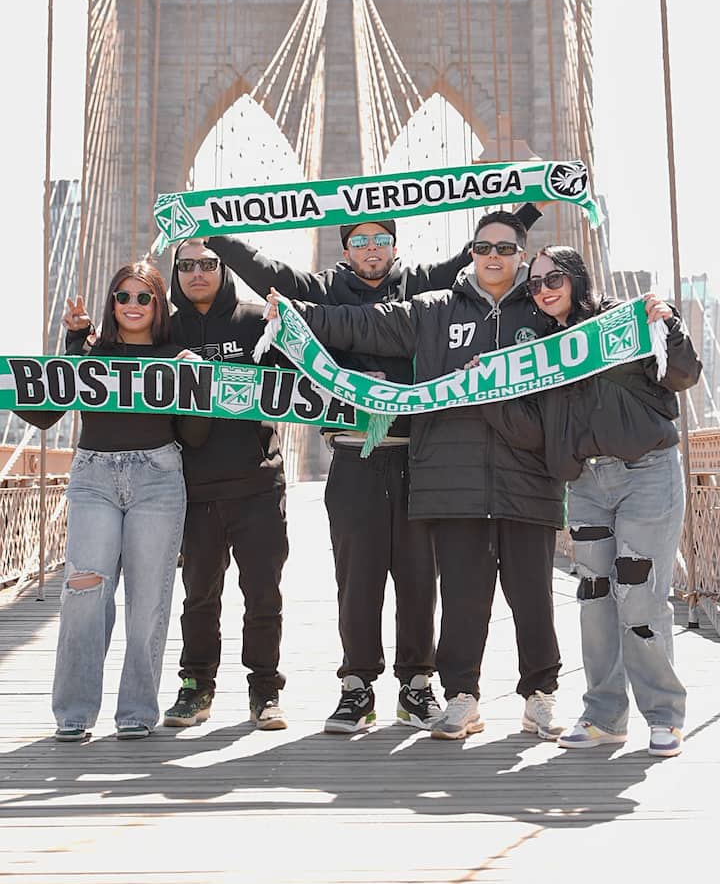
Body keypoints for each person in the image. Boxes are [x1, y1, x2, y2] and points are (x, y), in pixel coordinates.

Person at [205, 205, 540, 733]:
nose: (370, 249)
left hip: (417, 454)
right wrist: (211, 231)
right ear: (346, 251)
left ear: (394, 247)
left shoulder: (424, 286)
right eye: (359, 241)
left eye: (380, 239)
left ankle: (417, 686)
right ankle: (357, 686)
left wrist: (534, 201)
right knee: (356, 579)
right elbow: (269, 272)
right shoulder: (323, 290)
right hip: (353, 453)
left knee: (419, 578)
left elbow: (478, 253)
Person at [484, 246, 702, 757]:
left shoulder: (622, 321)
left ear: (577, 278)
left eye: (554, 278)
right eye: (534, 284)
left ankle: (663, 715)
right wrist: (491, 388)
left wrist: (668, 325)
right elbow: (535, 432)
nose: (544, 290)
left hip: (646, 473)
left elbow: (682, 375)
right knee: (596, 597)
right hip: (586, 484)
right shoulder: (540, 350)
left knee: (640, 593)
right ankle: (604, 716)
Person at [26, 262, 198, 741]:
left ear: (159, 305)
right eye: (123, 296)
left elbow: (196, 435)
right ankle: (74, 713)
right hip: (94, 479)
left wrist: (194, 380)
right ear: (112, 303)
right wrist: (72, 345)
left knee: (148, 603)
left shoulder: (175, 356)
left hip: (158, 479)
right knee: (83, 594)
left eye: (144, 297)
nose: (132, 305)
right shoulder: (92, 352)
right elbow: (45, 413)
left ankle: (136, 711)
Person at [162, 239, 290, 732]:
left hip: (257, 482)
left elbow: (299, 378)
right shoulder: (164, 328)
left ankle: (265, 690)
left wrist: (292, 328)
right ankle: (196, 687)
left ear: (223, 269)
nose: (197, 272)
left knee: (263, 594)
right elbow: (115, 368)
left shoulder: (257, 320)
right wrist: (79, 339)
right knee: (198, 596)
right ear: (176, 273)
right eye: (186, 265)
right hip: (193, 489)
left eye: (208, 263)